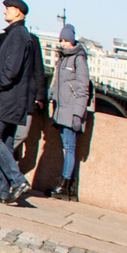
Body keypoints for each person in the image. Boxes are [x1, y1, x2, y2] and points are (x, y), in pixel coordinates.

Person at [0, 0, 43, 206]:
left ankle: (18, 181)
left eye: (9, 9)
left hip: (8, 97)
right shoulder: (19, 35)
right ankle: (1, 188)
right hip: (14, 98)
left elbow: (12, 69)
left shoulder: (18, 36)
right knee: (6, 140)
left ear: (19, 13)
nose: (5, 11)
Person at [46, 21, 91, 201]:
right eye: (61, 40)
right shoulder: (63, 58)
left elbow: (83, 89)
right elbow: (57, 84)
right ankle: (66, 185)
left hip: (71, 111)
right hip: (61, 110)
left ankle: (65, 185)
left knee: (70, 148)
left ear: (73, 41)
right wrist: (48, 95)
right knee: (66, 147)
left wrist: (77, 114)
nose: (63, 43)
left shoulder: (79, 59)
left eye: (66, 40)